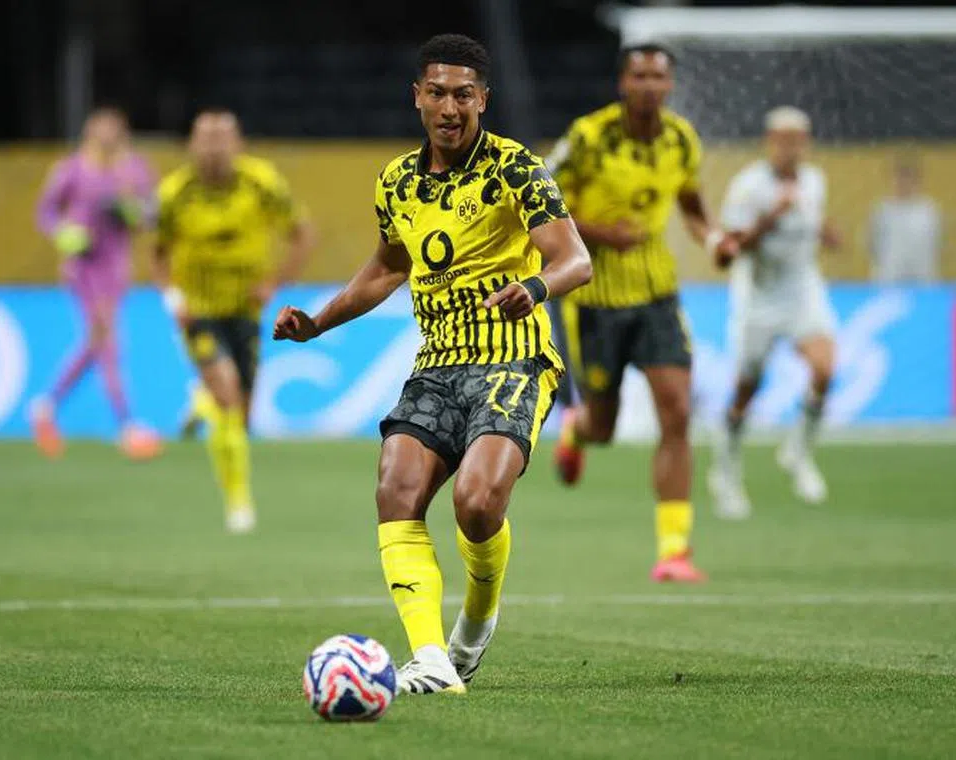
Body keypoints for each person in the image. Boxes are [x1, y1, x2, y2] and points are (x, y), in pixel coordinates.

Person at [274, 34, 591, 695]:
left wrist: (532, 288)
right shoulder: (396, 181)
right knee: (396, 490)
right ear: (418, 96)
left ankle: (474, 623)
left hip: (513, 360)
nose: (451, 107)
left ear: (483, 99)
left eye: (465, 94)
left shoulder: (515, 168)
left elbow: (575, 259)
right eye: (439, 92)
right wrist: (318, 322)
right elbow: (388, 268)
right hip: (438, 364)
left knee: (477, 505)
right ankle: (430, 659)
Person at [545, 43, 737, 582]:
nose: (650, 85)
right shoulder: (588, 138)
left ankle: (674, 552)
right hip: (594, 300)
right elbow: (537, 201)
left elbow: (694, 210)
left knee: (676, 413)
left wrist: (716, 239)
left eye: (659, 76)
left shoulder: (681, 140)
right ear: (622, 83)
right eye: (639, 76)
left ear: (670, 84)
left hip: (657, 294)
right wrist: (603, 233)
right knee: (603, 427)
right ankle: (576, 431)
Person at [155, 109, 314, 534]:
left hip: (246, 312)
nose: (213, 147)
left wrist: (275, 282)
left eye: (222, 137)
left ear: (238, 143)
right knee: (228, 397)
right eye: (205, 137)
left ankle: (201, 404)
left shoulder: (261, 183)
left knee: (240, 418)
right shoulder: (175, 192)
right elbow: (158, 251)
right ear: (191, 144)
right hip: (200, 311)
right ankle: (239, 501)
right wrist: (173, 297)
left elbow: (301, 232)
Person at [709, 106, 841, 518]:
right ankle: (726, 469)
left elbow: (811, 221)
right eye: (782, 140)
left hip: (802, 290)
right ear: (770, 142)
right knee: (748, 389)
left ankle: (797, 451)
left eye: (797, 140)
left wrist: (825, 232)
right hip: (759, 297)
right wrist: (771, 218)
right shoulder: (749, 186)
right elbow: (733, 246)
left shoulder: (814, 182)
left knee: (824, 369)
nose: (790, 148)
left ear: (806, 144)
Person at [31, 107, 161, 461]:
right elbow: (45, 212)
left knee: (96, 343)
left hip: (116, 266)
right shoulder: (71, 169)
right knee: (107, 339)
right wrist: (65, 234)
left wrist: (131, 211)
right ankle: (128, 425)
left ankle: (46, 407)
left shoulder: (134, 169)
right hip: (84, 265)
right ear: (89, 133)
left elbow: (152, 213)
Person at [870, 157, 941, 284]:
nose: (903, 184)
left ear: (916, 182)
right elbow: (872, 244)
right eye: (899, 179)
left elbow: (936, 243)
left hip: (922, 278)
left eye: (908, 179)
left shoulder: (928, 210)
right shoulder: (882, 210)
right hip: (889, 279)